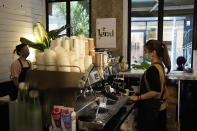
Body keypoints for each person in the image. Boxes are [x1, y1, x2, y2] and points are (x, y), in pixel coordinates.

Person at [129, 40, 171, 131]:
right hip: (160, 108)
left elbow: (155, 91)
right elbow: (155, 86)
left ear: (153, 53)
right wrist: (140, 91)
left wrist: (138, 97)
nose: (145, 54)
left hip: (153, 110)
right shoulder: (160, 65)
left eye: (146, 52)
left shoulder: (153, 69)